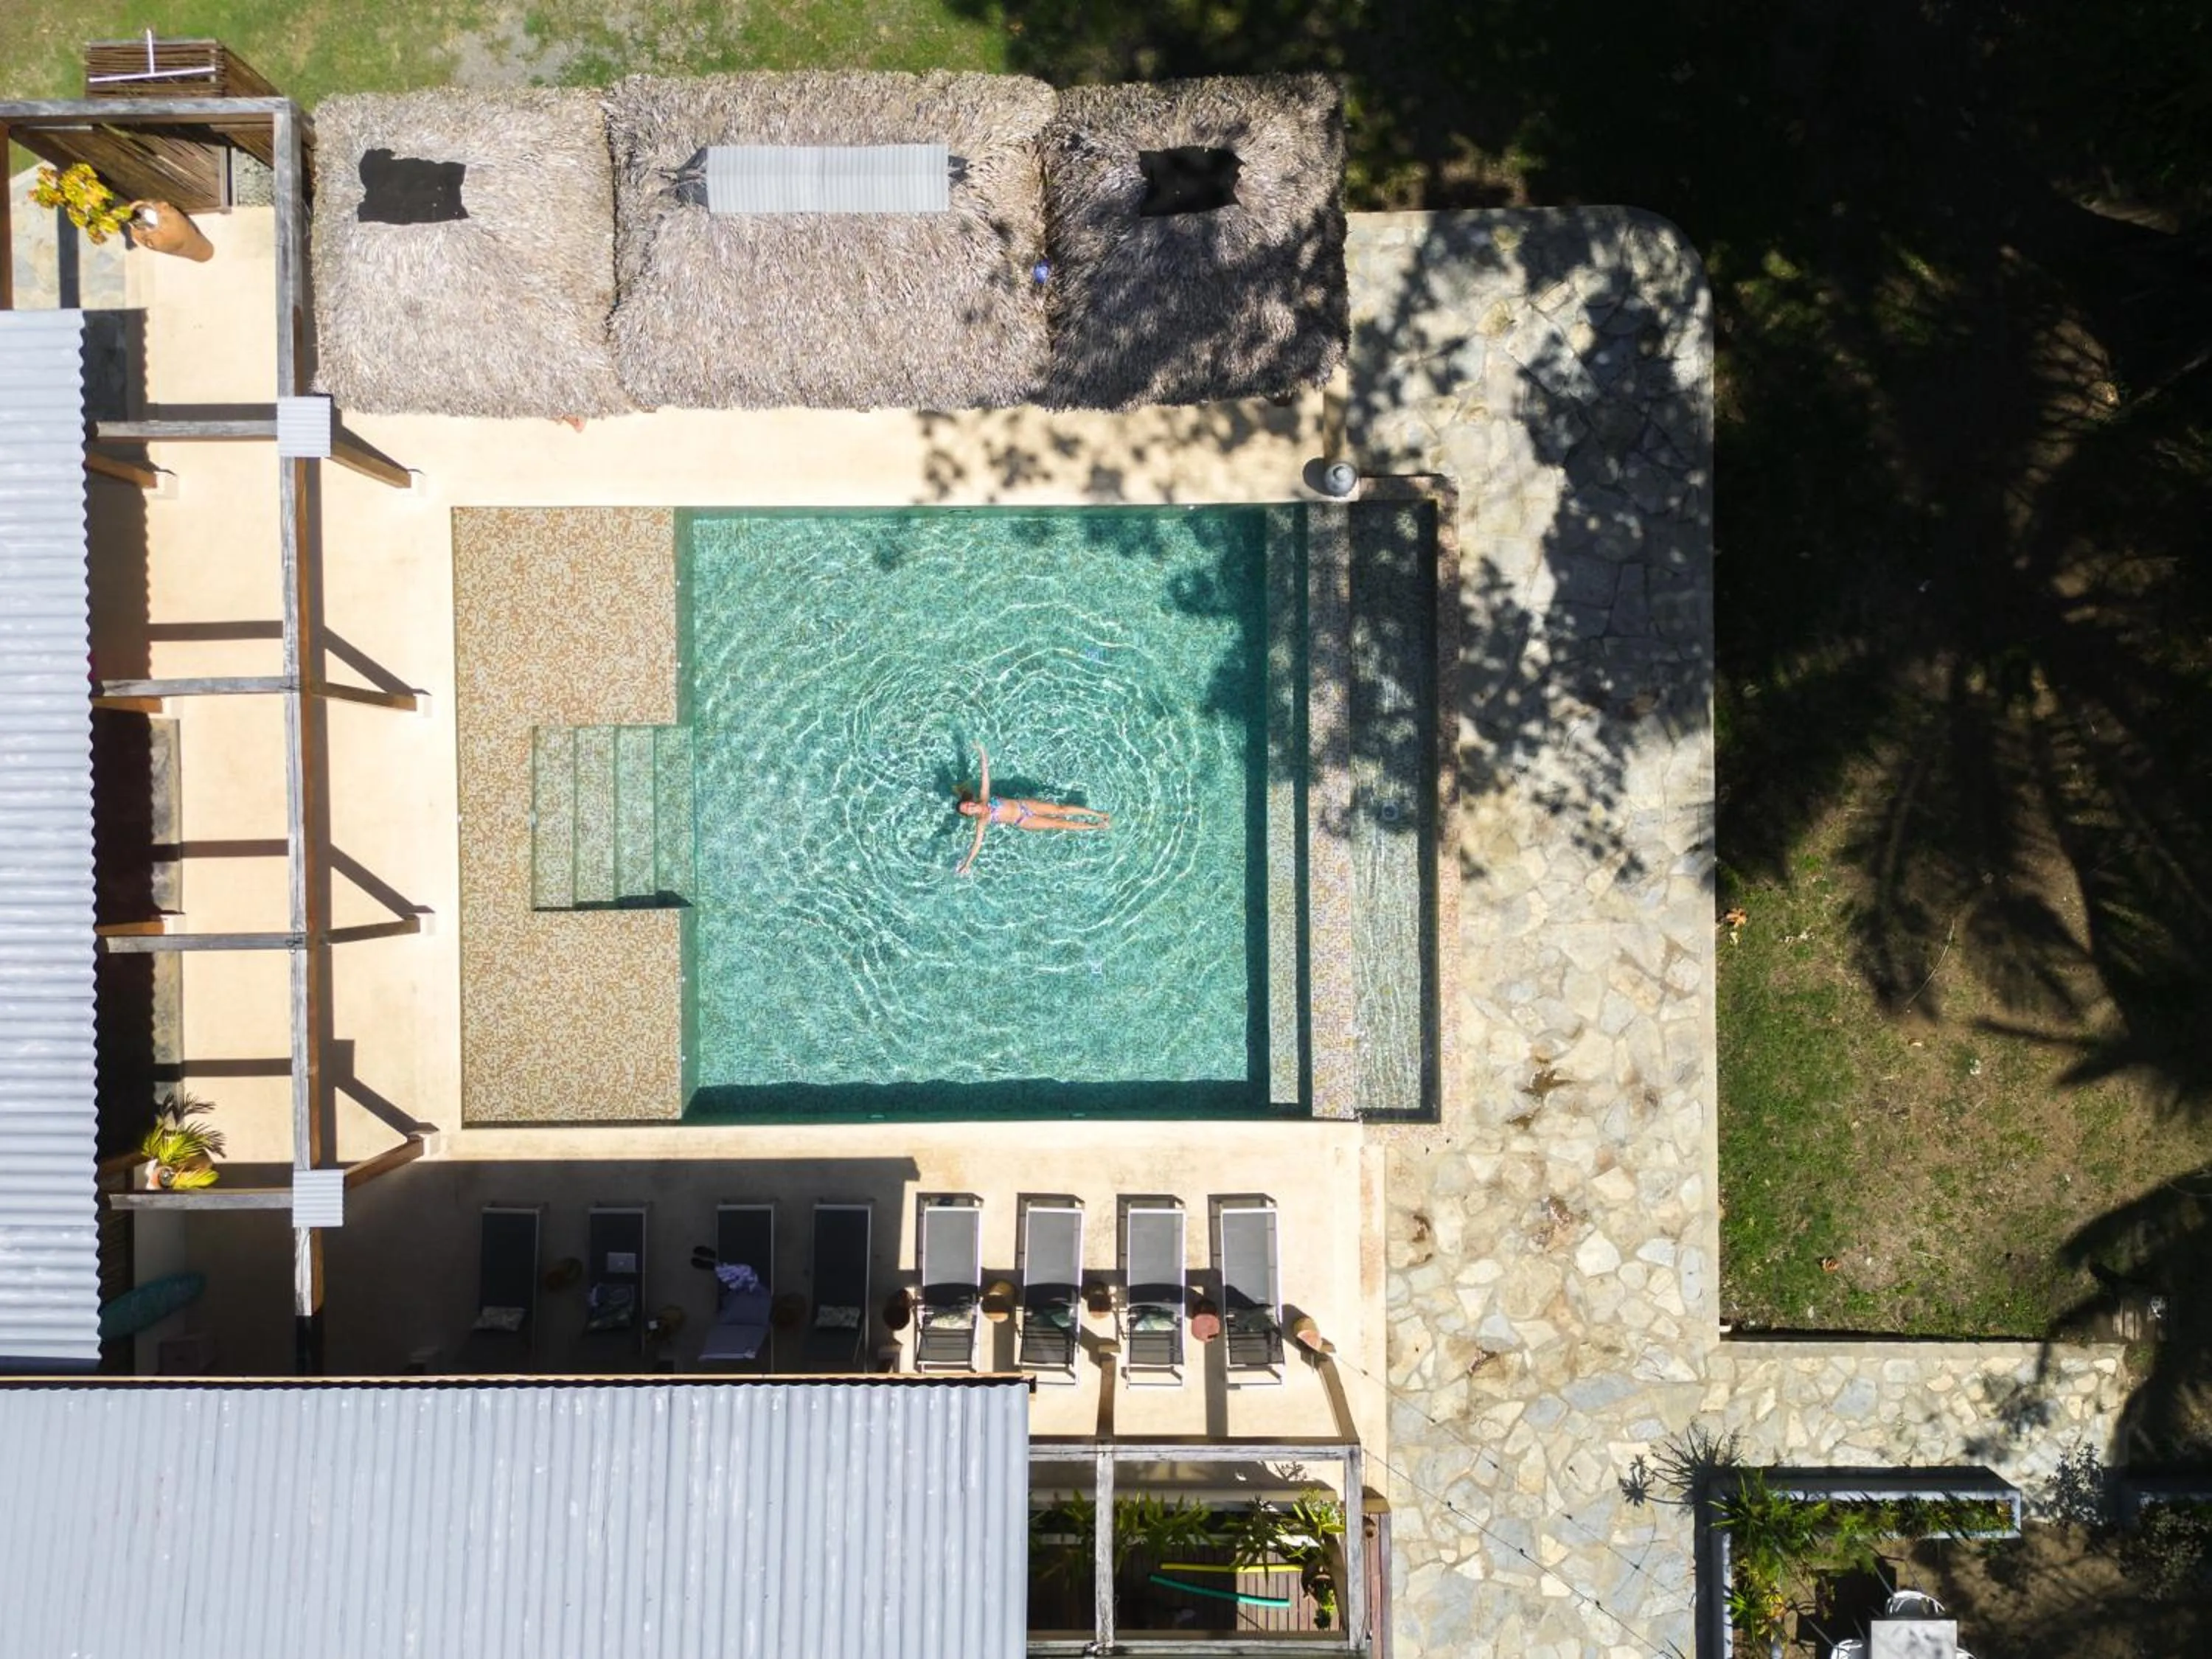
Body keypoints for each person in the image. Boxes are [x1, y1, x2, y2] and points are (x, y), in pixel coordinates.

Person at [955, 743, 1109, 874]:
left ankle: (1098, 814)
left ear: (969, 801)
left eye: (966, 804)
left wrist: (982, 752)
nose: (969, 807)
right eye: (967, 810)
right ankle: (1095, 826)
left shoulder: (984, 797)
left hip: (1024, 805)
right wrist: (967, 864)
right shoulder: (982, 820)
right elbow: (977, 844)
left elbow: (985, 775)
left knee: (1060, 809)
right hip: (1024, 820)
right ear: (969, 814)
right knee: (1058, 824)